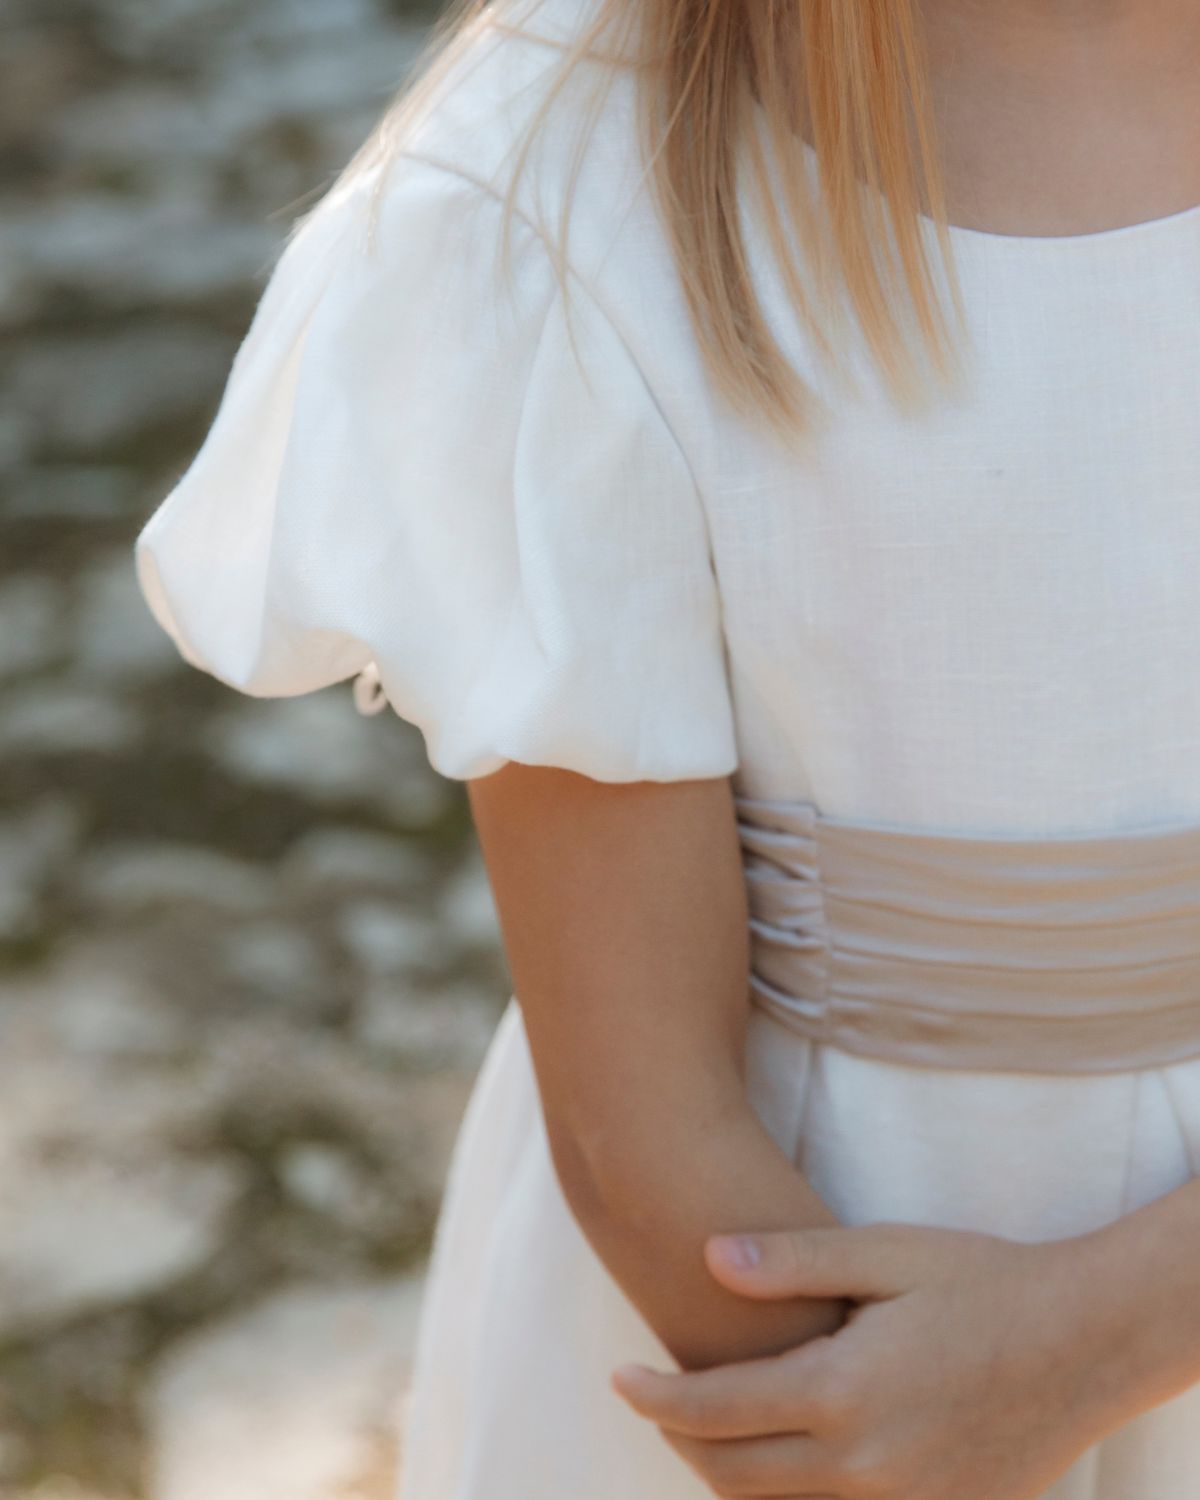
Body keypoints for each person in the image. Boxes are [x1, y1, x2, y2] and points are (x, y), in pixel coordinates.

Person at [132, 0, 1200, 1494]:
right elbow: (649, 1124)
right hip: (787, 1347)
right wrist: (893, 1416)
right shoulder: (576, 176)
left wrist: (1102, 1339)